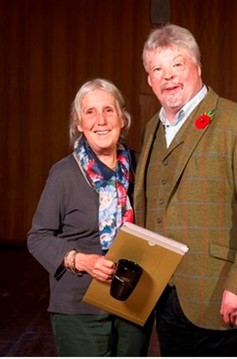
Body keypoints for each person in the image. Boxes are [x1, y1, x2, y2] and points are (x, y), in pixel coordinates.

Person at [133, 24, 237, 356]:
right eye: (157, 69)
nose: (168, 76)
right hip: (166, 298)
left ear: (197, 68)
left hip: (222, 296)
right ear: (149, 80)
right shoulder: (150, 130)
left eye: (177, 65)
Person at [27, 78, 152, 356]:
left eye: (108, 110)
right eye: (90, 112)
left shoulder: (142, 169)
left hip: (134, 302)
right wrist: (81, 261)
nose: (101, 120)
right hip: (79, 308)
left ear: (122, 117)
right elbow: (38, 237)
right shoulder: (63, 174)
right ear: (79, 123)